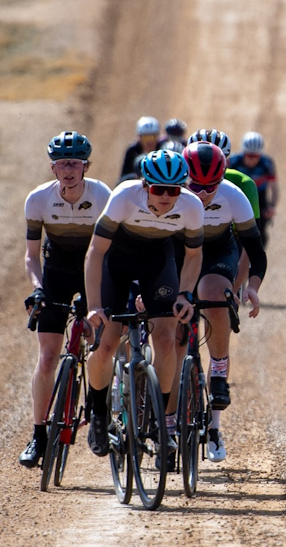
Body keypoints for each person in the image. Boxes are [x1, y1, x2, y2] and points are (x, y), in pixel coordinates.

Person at [82, 150, 204, 458]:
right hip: (116, 265)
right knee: (106, 346)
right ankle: (98, 413)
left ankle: (162, 422)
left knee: (165, 341)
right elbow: (96, 252)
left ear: (182, 188)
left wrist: (185, 295)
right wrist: (94, 305)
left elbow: (193, 256)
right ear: (144, 184)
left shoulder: (191, 206)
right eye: (158, 189)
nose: (166, 196)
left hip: (156, 264)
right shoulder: (124, 197)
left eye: (173, 190)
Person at [20, 131, 111, 469]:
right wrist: (38, 287)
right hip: (56, 272)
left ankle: (106, 406)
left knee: (102, 346)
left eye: (75, 163)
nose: (69, 169)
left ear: (85, 166)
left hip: (93, 271)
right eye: (62, 163)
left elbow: (112, 250)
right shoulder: (38, 200)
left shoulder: (103, 195)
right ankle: (39, 434)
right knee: (47, 357)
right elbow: (31, 256)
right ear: (53, 168)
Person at [182, 141, 267, 462]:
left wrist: (252, 287)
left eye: (211, 186)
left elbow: (256, 252)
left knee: (216, 295)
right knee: (169, 321)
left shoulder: (233, 195)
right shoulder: (168, 194)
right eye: (195, 186)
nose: (202, 193)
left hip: (217, 252)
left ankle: (218, 377)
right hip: (175, 253)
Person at [228, 131, 278, 245]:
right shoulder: (233, 161)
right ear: (243, 152)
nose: (252, 159)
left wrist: (272, 206)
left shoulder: (267, 163)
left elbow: (274, 188)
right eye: (249, 156)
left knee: (260, 233)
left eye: (255, 156)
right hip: (238, 196)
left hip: (259, 197)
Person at [119, 116, 162, 181]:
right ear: (139, 138)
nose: (149, 141)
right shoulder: (132, 151)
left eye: (152, 137)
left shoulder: (163, 149)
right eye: (145, 138)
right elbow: (124, 176)